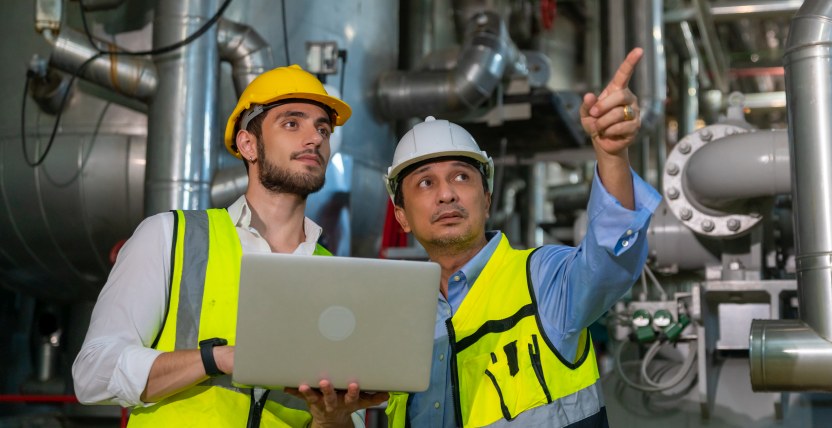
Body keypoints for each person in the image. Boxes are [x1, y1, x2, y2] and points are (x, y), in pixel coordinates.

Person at [72, 65, 387, 427]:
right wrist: (216, 359)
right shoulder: (170, 236)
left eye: (322, 129)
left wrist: (331, 418)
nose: (314, 138)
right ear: (248, 144)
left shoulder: (340, 277)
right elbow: (93, 373)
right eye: (291, 123)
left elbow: (351, 421)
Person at [381, 48, 660, 427]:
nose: (446, 194)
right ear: (402, 216)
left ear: (487, 198)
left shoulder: (544, 280)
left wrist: (611, 156)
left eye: (462, 177)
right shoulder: (397, 318)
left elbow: (610, 261)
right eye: (425, 183)